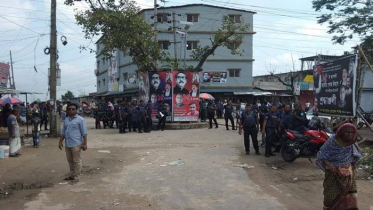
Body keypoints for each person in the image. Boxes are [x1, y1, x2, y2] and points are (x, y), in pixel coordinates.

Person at [316, 123, 363, 210]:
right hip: (333, 174)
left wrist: (350, 165)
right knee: (330, 196)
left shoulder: (353, 142)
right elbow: (321, 154)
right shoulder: (333, 141)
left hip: (348, 175)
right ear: (341, 133)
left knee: (350, 194)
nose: (350, 134)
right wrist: (329, 165)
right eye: (347, 132)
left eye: (352, 132)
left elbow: (356, 156)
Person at [59, 103, 88, 182]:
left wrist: (85, 144)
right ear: (67, 110)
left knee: (76, 160)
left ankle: (77, 176)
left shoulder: (80, 119)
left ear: (76, 110)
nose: (71, 110)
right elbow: (63, 132)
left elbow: (84, 133)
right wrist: (60, 142)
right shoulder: (66, 120)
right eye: (69, 109)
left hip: (76, 143)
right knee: (70, 160)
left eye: (73, 109)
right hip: (68, 143)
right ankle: (72, 174)